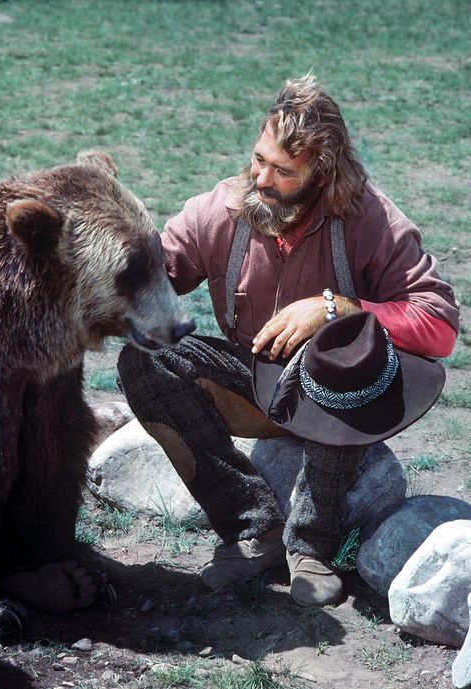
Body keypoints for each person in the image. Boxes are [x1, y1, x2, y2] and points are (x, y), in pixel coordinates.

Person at [117, 74, 459, 607]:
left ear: (322, 173)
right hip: (253, 379)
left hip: (341, 395)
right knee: (147, 358)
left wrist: (339, 309)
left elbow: (438, 324)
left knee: (341, 352)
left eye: (283, 170)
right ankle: (254, 527)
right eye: (259, 159)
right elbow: (152, 275)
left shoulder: (371, 218)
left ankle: (312, 548)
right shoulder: (219, 210)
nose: (261, 177)